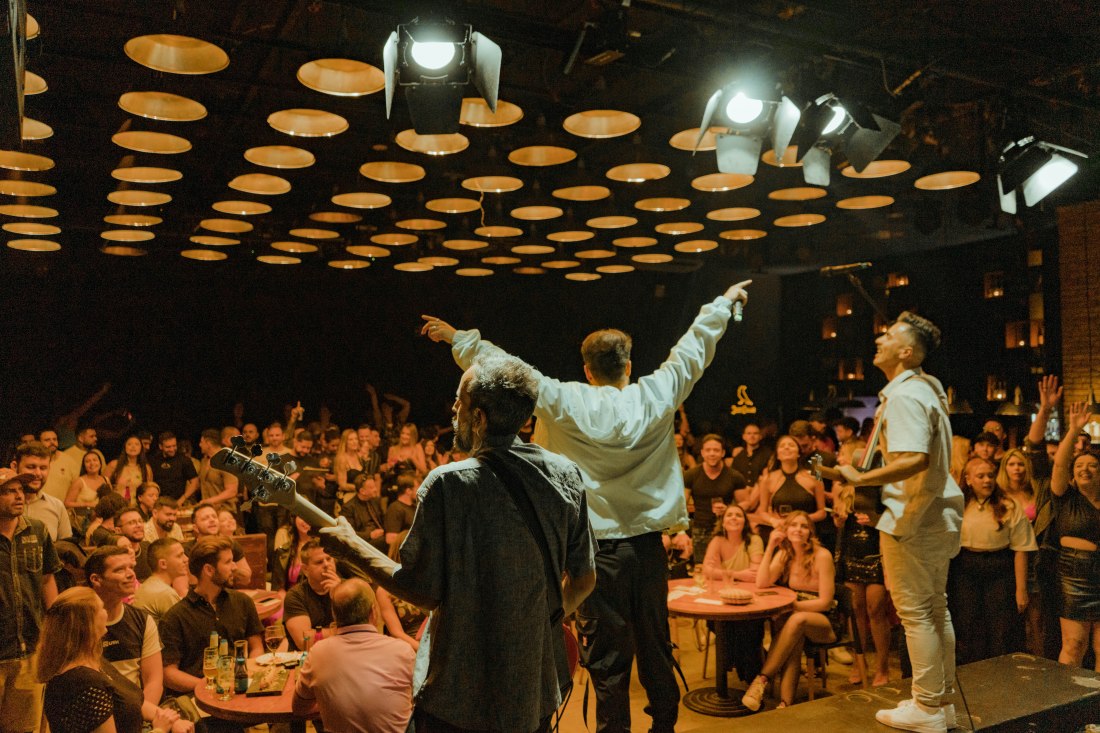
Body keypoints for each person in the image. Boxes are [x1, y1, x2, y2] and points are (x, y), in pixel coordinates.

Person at [419, 279, 750, 733]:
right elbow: (694, 348)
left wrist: (458, 338)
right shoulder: (658, 393)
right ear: (628, 366)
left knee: (607, 662)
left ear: (588, 370)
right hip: (648, 550)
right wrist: (723, 302)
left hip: (595, 557)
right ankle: (664, 727)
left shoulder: (565, 399)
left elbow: (506, 367)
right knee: (656, 648)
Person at [320, 353, 597, 733]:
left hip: (457, 698)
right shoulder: (566, 476)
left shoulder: (448, 485)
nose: (453, 410)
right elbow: (584, 579)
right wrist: (533, 620)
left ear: (479, 418)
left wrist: (351, 548)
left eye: (459, 402)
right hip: (532, 691)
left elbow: (419, 590)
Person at [817, 311, 963, 733]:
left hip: (913, 517)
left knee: (916, 613)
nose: (879, 340)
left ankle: (927, 707)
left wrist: (859, 477)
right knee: (935, 609)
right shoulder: (926, 389)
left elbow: (914, 459)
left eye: (889, 336)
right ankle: (941, 701)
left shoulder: (904, 397)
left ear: (907, 352)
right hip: (935, 514)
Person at [37, 587, 175, 733]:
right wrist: (160, 729)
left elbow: (132, 701)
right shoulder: (86, 683)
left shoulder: (94, 662)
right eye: (102, 608)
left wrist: (167, 718)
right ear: (88, 623)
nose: (106, 613)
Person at [741, 511, 838, 711]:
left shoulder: (822, 555)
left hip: (825, 622)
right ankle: (785, 704)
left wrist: (792, 607)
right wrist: (770, 546)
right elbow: (762, 582)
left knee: (796, 620)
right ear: (785, 530)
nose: (798, 530)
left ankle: (762, 679)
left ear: (810, 532)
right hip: (797, 622)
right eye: (793, 525)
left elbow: (826, 602)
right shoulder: (786, 554)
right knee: (794, 641)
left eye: (804, 526)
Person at [86, 546, 189, 731]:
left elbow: (154, 680)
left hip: (136, 712)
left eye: (131, 567)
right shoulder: (80, 622)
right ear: (96, 579)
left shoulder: (141, 620)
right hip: (94, 717)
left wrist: (136, 718)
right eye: (119, 570)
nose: (130, 574)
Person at [292, 578, 415, 733]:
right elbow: (422, 701)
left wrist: (333, 705)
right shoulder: (402, 650)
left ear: (335, 615)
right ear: (373, 612)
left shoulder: (317, 653)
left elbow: (299, 708)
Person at [948, 457, 1036, 664]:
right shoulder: (957, 505)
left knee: (1001, 626)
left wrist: (1021, 589)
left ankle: (1001, 672)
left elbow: (1021, 548)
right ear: (968, 479)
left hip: (999, 568)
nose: (987, 480)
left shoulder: (1009, 505)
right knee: (968, 624)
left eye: (990, 476)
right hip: (965, 568)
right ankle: (972, 671)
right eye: (980, 476)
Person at [159, 536, 263, 696]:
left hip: (241, 689)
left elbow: (256, 647)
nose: (234, 567)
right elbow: (168, 674)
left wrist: (245, 675)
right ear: (209, 570)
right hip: (198, 697)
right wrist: (211, 686)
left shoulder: (243, 602)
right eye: (228, 562)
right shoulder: (175, 617)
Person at [0, 467, 61, 733]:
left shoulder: (37, 530)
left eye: (20, 490)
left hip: (29, 649)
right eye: (8, 491)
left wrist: (56, 629)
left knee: (25, 728)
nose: (19, 496)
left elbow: (47, 580)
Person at [1049, 402, 1100, 671]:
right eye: (1079, 465)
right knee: (1074, 645)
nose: (1085, 469)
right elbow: (1059, 464)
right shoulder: (1066, 497)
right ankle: (1067, 695)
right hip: (1073, 576)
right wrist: (1073, 430)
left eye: (1092, 465)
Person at [684, 434, 746, 564]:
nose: (712, 453)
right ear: (702, 452)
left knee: (727, 567)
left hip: (728, 529)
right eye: (708, 450)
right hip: (700, 529)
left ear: (723, 453)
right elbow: (681, 505)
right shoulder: (691, 475)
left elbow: (746, 503)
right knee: (702, 568)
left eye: (716, 450)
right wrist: (681, 533)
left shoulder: (735, 476)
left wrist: (729, 510)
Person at [284, 539, 340, 651]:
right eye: (319, 562)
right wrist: (343, 631)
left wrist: (339, 595)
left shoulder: (349, 589)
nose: (326, 564)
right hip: (307, 658)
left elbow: (364, 631)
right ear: (305, 569)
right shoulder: (295, 596)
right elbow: (305, 642)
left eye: (329, 559)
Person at [13, 440, 73, 541]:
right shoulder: (3, 504)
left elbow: (66, 546)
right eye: (31, 467)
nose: (38, 473)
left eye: (43, 468)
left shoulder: (57, 506)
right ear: (15, 466)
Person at [133, 538, 187, 622]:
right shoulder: (164, 592)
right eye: (179, 556)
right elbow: (184, 625)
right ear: (163, 564)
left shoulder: (151, 585)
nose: (186, 559)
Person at [66, 450, 111, 536]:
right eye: (88, 461)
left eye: (95, 460)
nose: (92, 463)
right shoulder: (79, 481)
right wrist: (87, 504)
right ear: (84, 466)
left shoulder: (106, 480)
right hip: (83, 524)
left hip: (103, 522)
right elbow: (67, 503)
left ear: (100, 463)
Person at [196, 429, 239, 511]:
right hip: (209, 510)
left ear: (208, 443)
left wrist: (209, 501)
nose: (200, 445)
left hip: (226, 510)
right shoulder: (204, 460)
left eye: (201, 442)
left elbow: (232, 491)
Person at [342, 474, 387, 552]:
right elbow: (348, 533)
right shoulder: (348, 508)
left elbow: (384, 519)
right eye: (372, 487)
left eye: (375, 486)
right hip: (364, 542)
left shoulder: (375, 501)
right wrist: (370, 535)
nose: (375, 489)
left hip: (381, 535)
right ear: (362, 491)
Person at [105, 437, 153, 504]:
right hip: (116, 505)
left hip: (137, 506)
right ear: (125, 447)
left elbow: (149, 490)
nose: (133, 446)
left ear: (141, 448)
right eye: (129, 444)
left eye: (136, 444)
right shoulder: (114, 465)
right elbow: (104, 486)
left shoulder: (146, 468)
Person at [729, 422, 773, 488]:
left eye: (755, 433)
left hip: (762, 491)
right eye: (749, 433)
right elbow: (733, 478)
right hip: (741, 492)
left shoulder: (768, 454)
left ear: (760, 436)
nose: (752, 436)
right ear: (744, 437)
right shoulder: (738, 456)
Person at [383, 475, 417, 547]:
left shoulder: (415, 507)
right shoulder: (395, 509)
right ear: (408, 491)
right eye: (417, 488)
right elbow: (390, 539)